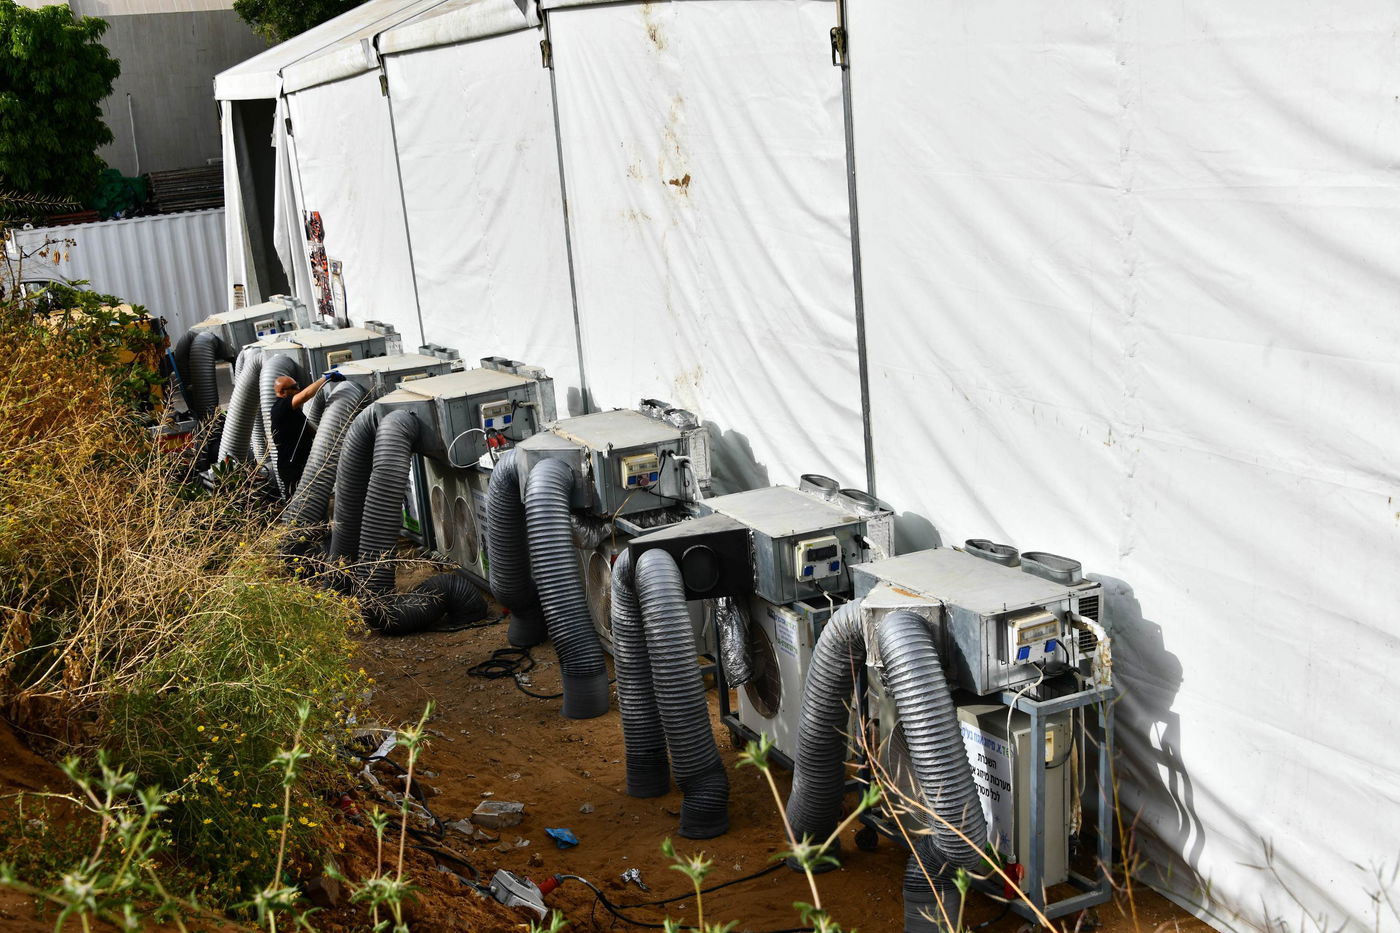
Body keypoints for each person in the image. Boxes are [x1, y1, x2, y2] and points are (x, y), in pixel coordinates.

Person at [270, 370, 343, 495]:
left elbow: (311, 430)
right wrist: (325, 379)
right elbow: (305, 396)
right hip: (293, 468)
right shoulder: (280, 407)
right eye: (294, 387)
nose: (298, 389)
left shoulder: (293, 411)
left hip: (304, 464)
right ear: (282, 392)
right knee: (299, 503)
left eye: (297, 385)